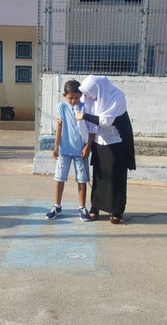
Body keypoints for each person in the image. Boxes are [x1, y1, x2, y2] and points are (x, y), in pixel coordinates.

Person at [75, 75, 136, 224]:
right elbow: (77, 106)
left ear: (98, 89)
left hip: (116, 142)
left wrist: (84, 116)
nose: (88, 97)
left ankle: (117, 211)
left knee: (116, 177)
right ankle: (95, 207)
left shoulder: (117, 96)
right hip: (98, 141)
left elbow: (105, 121)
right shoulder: (90, 97)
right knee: (99, 176)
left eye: (89, 93)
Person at [46, 79, 94, 221]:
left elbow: (92, 129)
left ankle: (82, 207)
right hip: (64, 150)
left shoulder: (85, 107)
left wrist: (88, 146)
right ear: (64, 96)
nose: (74, 101)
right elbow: (59, 127)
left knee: (82, 179)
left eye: (77, 98)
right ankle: (57, 206)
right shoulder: (61, 106)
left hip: (80, 151)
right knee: (59, 178)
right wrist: (56, 146)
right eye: (71, 98)